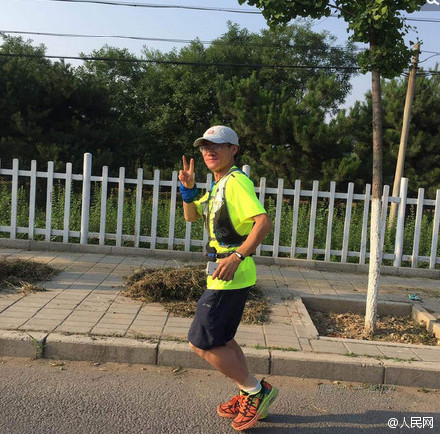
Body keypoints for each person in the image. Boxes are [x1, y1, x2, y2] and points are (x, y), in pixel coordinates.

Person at [178, 125, 278, 431]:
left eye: (217, 146)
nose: (209, 151)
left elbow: (263, 223)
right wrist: (189, 190)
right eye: (205, 147)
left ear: (233, 149)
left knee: (201, 343)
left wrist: (237, 256)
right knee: (222, 339)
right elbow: (191, 216)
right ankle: (248, 391)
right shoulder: (219, 186)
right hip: (222, 275)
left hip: (230, 274)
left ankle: (254, 391)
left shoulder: (235, 183)